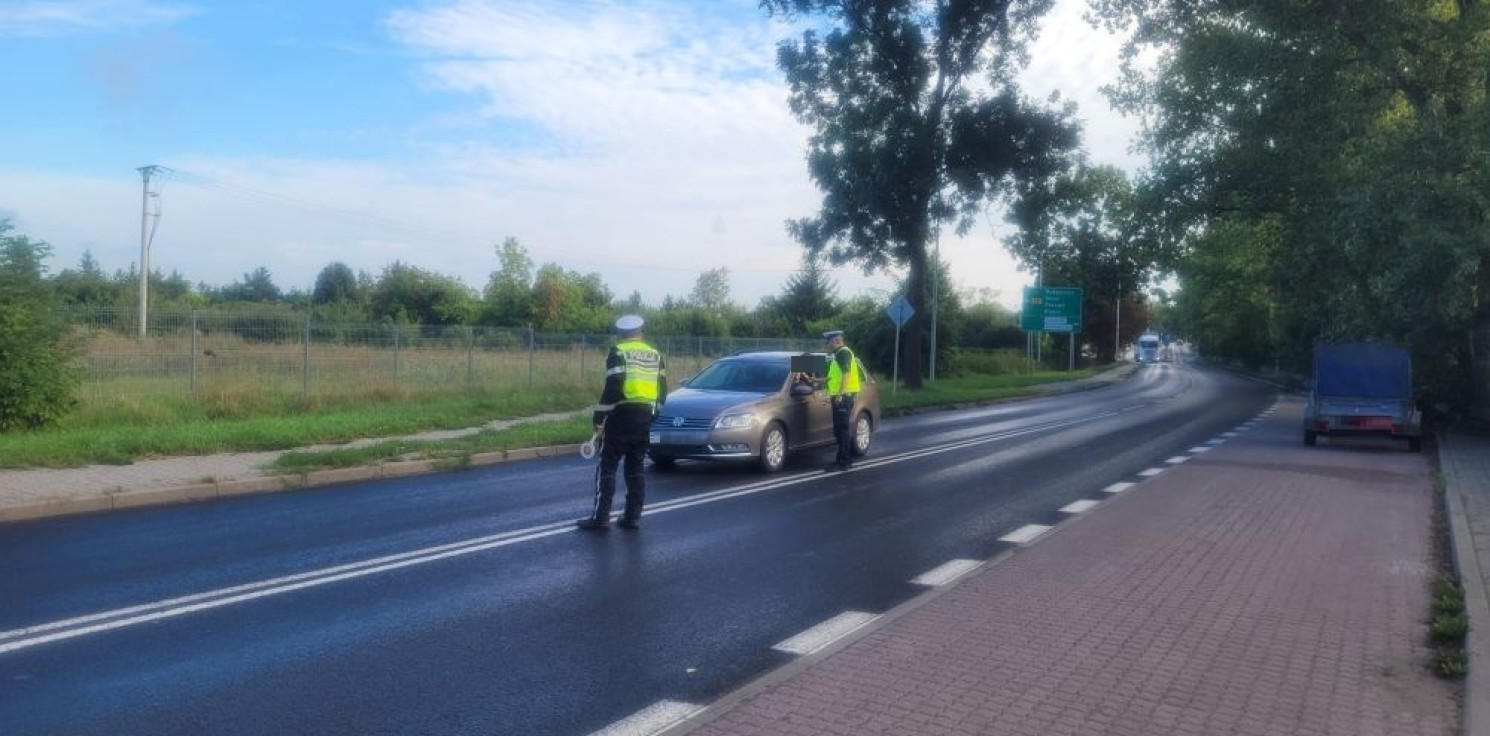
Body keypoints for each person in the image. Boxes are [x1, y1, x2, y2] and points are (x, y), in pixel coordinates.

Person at [577, 315, 667, 530]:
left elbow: (613, 388)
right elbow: (662, 391)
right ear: (641, 332)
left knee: (607, 466)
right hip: (645, 416)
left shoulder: (618, 352)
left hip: (621, 416)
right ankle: (632, 516)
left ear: (621, 334)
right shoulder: (656, 355)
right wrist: (653, 415)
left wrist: (599, 417)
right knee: (635, 467)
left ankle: (601, 518)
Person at [822, 329, 860, 471]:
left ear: (835, 341)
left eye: (828, 342)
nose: (827, 345)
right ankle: (841, 459)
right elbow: (835, 376)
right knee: (839, 429)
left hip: (843, 397)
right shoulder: (837, 354)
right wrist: (817, 380)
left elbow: (846, 374)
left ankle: (845, 462)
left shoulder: (843, 353)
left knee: (842, 429)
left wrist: (840, 394)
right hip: (842, 396)